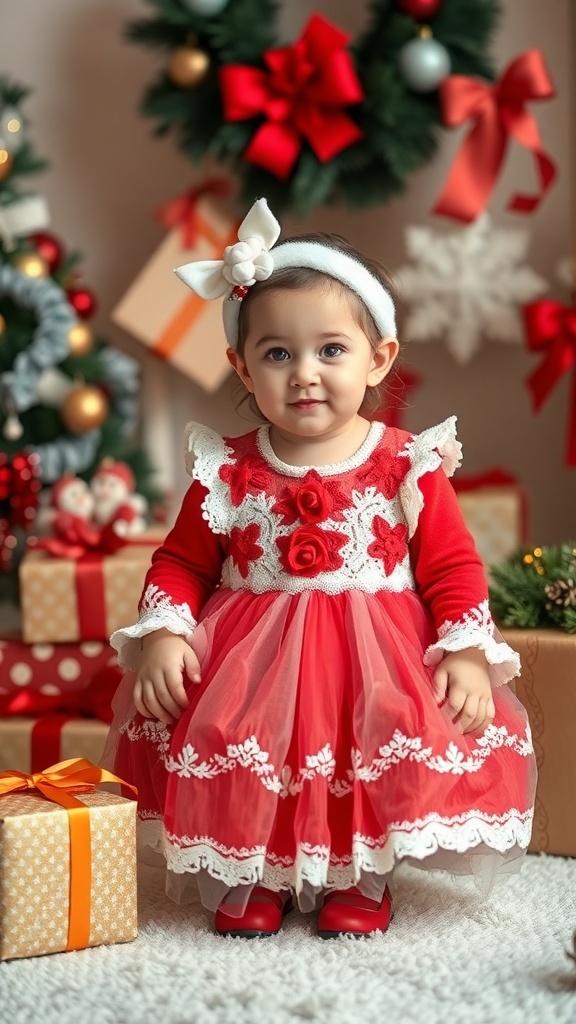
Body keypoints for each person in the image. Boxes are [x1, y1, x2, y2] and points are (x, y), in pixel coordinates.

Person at [104, 198, 536, 940]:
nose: (305, 374)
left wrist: (466, 650)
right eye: (277, 354)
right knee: (246, 751)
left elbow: (453, 565)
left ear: (379, 358)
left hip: (377, 658)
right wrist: (168, 632)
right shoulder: (229, 468)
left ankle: (360, 878)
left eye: (331, 350)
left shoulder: (406, 461)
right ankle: (254, 873)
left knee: (369, 752)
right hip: (251, 659)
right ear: (242, 364)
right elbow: (181, 561)